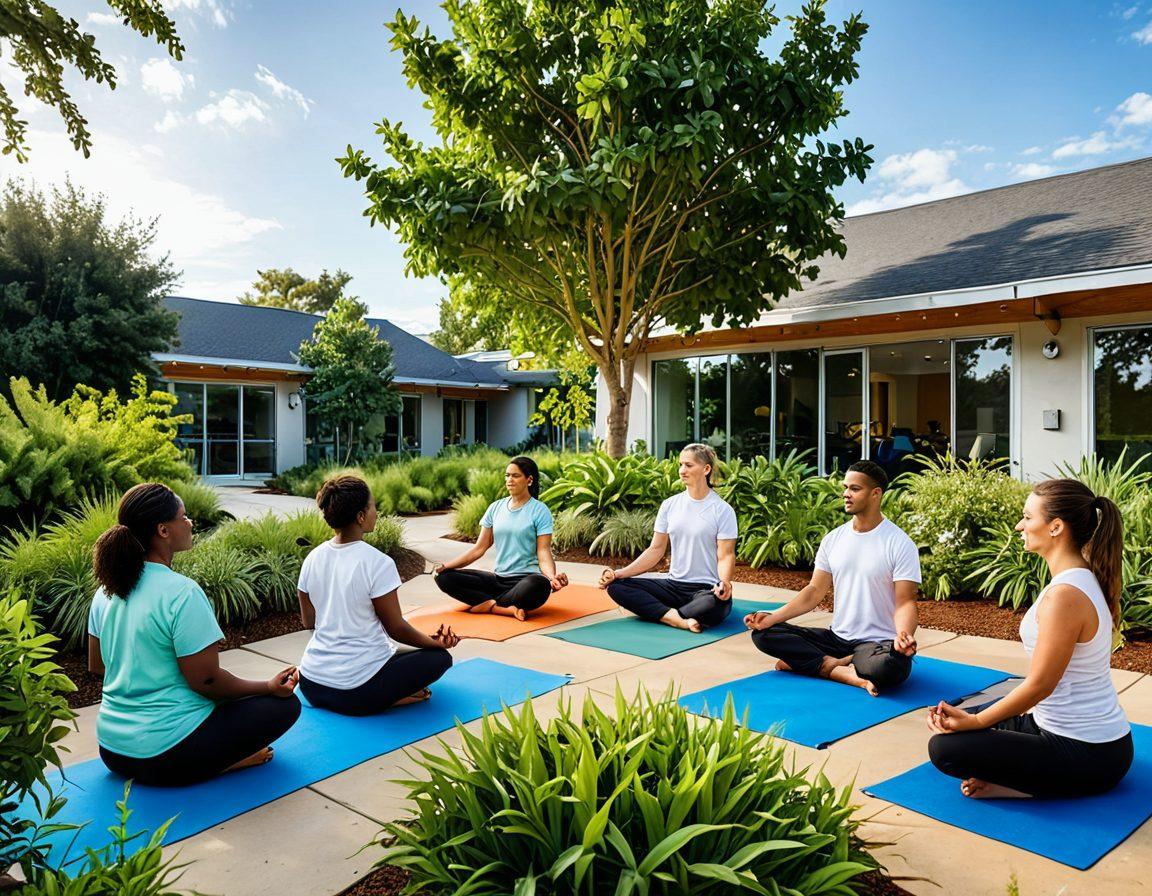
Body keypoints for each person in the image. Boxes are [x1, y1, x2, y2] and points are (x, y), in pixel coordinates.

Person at [926, 479, 1133, 799]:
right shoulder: (1077, 579)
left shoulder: (1065, 595)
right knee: (963, 718)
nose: (1019, 525)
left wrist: (978, 720)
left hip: (1088, 751)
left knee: (944, 748)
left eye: (1027, 517)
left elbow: (1040, 686)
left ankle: (1017, 788)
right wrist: (974, 717)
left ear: (1055, 527)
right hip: (1058, 725)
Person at [87, 483, 301, 787]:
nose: (189, 523)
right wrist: (267, 686)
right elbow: (207, 682)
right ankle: (224, 762)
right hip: (164, 756)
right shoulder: (182, 593)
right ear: (163, 530)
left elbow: (98, 666)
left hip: (113, 751)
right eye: (183, 517)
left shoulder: (106, 591)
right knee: (285, 706)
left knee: (222, 703)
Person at [745, 460, 920, 696]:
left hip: (875, 645)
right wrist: (772, 617)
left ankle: (809, 663)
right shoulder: (834, 539)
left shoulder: (899, 543)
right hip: (836, 639)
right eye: (846, 488)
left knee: (890, 669)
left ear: (876, 493)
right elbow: (814, 591)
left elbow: (905, 601)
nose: (846, 494)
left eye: (855, 489)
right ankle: (841, 671)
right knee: (764, 635)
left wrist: (903, 636)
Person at [297, 475, 459, 716]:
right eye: (373, 506)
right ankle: (391, 699)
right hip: (354, 693)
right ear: (361, 516)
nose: (377, 512)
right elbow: (396, 629)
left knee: (405, 652)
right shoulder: (378, 563)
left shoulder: (313, 557)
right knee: (440, 658)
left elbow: (308, 622)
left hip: (311, 682)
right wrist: (434, 644)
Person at [599, 443, 737, 633]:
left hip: (705, 589)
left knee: (716, 604)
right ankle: (676, 618)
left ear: (706, 469)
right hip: (672, 585)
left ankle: (663, 613)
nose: (682, 470)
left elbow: (726, 555)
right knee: (617, 587)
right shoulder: (670, 505)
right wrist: (619, 573)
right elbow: (656, 550)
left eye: (688, 465)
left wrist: (725, 583)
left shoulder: (722, 510)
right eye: (681, 465)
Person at [433, 456, 567, 621]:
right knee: (444, 577)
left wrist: (551, 577)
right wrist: (445, 566)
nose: (509, 480)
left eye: (515, 475)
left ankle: (487, 603)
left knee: (540, 585)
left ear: (529, 480)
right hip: (497, 580)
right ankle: (503, 608)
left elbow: (543, 550)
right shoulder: (495, 508)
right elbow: (479, 549)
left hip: (526, 580)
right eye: (507, 475)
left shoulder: (540, 510)